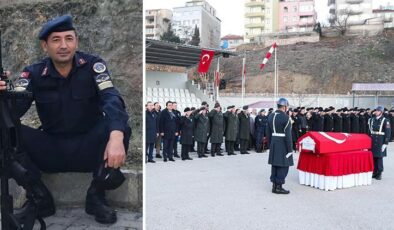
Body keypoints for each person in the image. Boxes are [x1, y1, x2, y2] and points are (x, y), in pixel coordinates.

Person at [0, 15, 131, 224]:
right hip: (51, 148)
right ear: (45, 46)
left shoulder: (93, 66)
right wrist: (4, 96)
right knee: (5, 131)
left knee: (119, 126)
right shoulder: (33, 73)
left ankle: (96, 197)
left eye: (69, 38)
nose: (63, 45)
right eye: (56, 40)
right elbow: (12, 113)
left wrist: (116, 136)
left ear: (76, 42)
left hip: (88, 147)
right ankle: (39, 197)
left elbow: (111, 98)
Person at [266, 98, 294, 194]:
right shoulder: (285, 118)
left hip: (274, 142)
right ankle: (279, 186)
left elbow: (268, 132)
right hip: (282, 143)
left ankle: (274, 185)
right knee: (283, 165)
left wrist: (270, 145)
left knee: (275, 164)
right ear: (284, 107)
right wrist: (290, 149)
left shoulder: (271, 116)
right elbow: (288, 135)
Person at [368, 106, 391, 180]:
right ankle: (374, 172)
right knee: (373, 156)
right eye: (376, 111)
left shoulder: (385, 120)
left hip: (380, 140)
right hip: (373, 139)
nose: (376, 112)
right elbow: (369, 131)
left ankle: (379, 173)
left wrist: (385, 143)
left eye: (378, 111)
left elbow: (388, 132)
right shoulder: (372, 119)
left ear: (381, 112)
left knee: (379, 157)